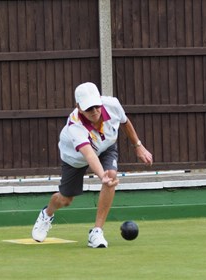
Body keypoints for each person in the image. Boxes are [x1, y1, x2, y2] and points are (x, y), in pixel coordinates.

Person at [32, 82, 153, 248]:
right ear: (79, 107)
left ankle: (96, 231)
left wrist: (138, 146)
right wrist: (101, 175)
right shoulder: (75, 126)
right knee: (65, 199)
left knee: (111, 175)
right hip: (75, 158)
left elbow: (125, 123)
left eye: (97, 106)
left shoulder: (112, 104)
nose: (95, 111)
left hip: (106, 144)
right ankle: (47, 214)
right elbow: (88, 154)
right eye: (89, 108)